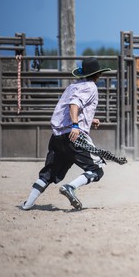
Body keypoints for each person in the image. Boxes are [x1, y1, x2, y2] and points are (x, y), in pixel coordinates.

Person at [21, 57, 112, 211]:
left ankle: (27, 204)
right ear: (98, 75)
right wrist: (76, 125)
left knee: (49, 173)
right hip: (74, 136)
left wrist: (89, 120)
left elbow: (68, 109)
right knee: (96, 170)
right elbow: (74, 105)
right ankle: (70, 187)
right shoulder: (91, 87)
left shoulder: (73, 86)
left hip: (58, 136)